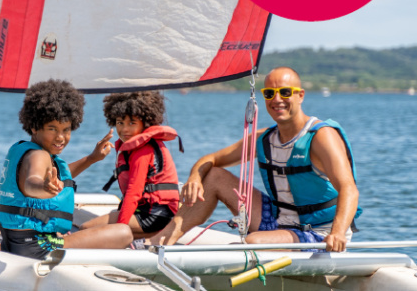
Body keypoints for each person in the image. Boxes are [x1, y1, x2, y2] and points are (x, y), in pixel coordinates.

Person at [151, 67, 361, 252]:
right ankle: (159, 242)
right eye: (269, 93)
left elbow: (349, 189)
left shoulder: (321, 137)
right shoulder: (263, 138)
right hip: (280, 219)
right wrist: (195, 178)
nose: (277, 99)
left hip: (319, 232)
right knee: (214, 175)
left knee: (253, 242)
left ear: (300, 96)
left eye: (285, 92)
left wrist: (338, 233)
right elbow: (211, 159)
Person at [0, 79, 133, 259]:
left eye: (66, 129)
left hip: (15, 241)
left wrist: (91, 159)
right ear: (34, 126)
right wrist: (42, 187)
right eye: (52, 129)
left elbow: (58, 176)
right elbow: (32, 181)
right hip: (38, 247)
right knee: (124, 233)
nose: (60, 137)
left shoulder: (26, 150)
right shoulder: (39, 156)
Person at [81, 91, 183, 241]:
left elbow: (134, 192)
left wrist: (118, 229)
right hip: (150, 211)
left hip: (156, 215)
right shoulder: (136, 147)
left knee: (85, 229)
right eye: (120, 123)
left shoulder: (143, 150)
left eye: (132, 123)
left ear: (146, 122)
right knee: (88, 228)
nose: (124, 129)